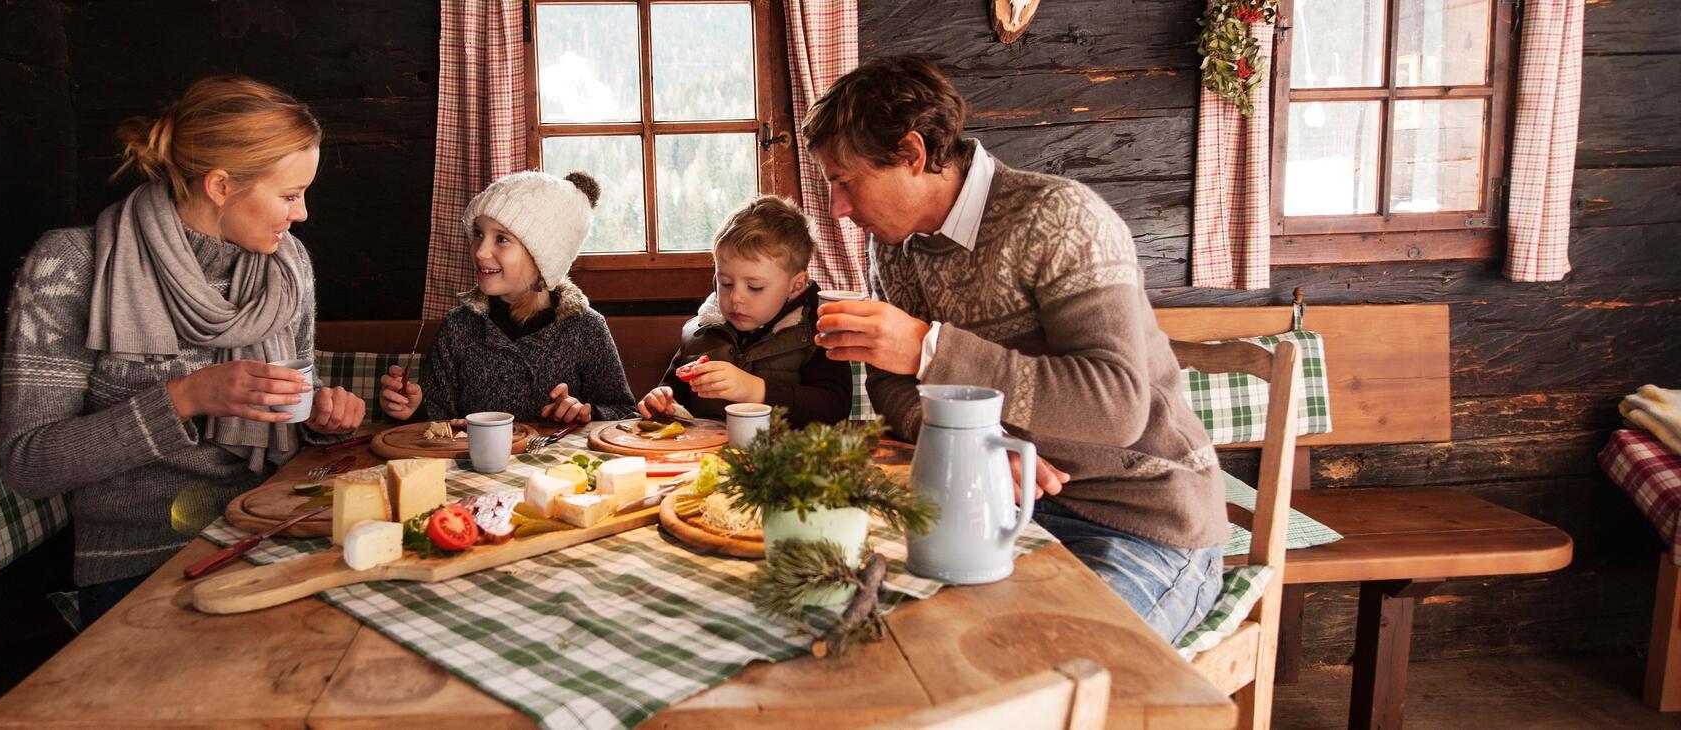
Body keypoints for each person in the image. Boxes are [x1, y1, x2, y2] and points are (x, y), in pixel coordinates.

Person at [804, 55, 1227, 642]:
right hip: (995, 509)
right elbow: (890, 386)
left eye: (843, 182)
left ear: (912, 155)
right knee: (887, 643)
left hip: (1140, 520)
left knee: (1058, 676)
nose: (838, 210)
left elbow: (1117, 406)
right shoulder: (894, 249)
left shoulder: (1059, 217)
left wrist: (931, 348)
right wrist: (976, 446)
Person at [0, 76, 366, 628]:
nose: (303, 214)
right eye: (290, 195)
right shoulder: (73, 265)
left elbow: (283, 412)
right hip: (139, 562)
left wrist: (317, 418)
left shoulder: (288, 269)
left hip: (272, 530)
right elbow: (30, 464)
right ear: (220, 185)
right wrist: (184, 398)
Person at [379, 171, 636, 425]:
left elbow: (624, 413)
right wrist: (413, 409)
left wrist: (586, 414)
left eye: (501, 239)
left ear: (542, 257)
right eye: (478, 234)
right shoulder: (457, 327)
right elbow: (438, 419)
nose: (480, 251)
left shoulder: (586, 328)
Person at [637, 195, 851, 426]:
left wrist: (756, 391)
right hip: (705, 457)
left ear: (796, 285)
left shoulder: (818, 334)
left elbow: (834, 408)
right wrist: (660, 403)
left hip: (786, 458)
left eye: (754, 287)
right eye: (726, 283)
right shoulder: (698, 334)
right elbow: (673, 398)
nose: (736, 297)